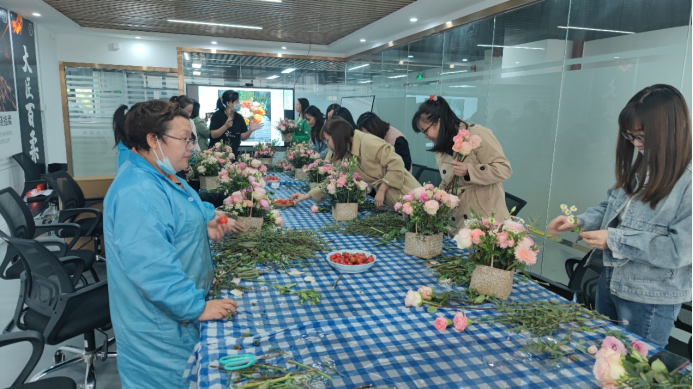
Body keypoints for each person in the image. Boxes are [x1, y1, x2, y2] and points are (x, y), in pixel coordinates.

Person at [104, 99, 243, 387]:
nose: (191, 146)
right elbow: (152, 268)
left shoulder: (160, 173)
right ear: (153, 139)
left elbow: (180, 212)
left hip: (176, 313)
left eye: (192, 138)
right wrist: (195, 307)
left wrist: (207, 222)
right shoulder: (137, 192)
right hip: (159, 328)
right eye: (184, 139)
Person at [547, 84, 692, 347]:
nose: (636, 145)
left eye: (642, 137)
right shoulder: (645, 168)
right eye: (630, 137)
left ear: (670, 131)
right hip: (611, 283)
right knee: (603, 361)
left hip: (650, 299)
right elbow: (612, 207)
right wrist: (579, 221)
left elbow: (678, 250)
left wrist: (615, 240)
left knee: (633, 374)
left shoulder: (688, 182)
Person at [412, 95, 511, 232]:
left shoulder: (476, 134)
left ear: (438, 122)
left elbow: (504, 168)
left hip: (485, 217)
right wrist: (435, 199)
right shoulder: (441, 146)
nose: (425, 136)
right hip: (458, 219)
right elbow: (448, 180)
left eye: (425, 130)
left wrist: (469, 171)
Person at [291, 117, 420, 208]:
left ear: (337, 137)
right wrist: (307, 195)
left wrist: (382, 190)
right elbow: (336, 179)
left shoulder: (368, 141)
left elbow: (397, 163)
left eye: (327, 140)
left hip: (408, 192)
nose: (327, 145)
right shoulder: (348, 153)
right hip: (392, 201)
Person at [209, 90, 261, 157]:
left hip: (233, 155)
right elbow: (213, 134)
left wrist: (250, 131)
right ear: (228, 103)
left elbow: (242, 137)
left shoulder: (239, 117)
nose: (239, 103)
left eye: (238, 101)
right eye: (236, 101)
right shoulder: (217, 115)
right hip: (217, 156)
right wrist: (226, 126)